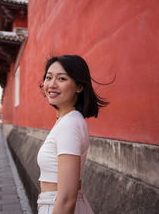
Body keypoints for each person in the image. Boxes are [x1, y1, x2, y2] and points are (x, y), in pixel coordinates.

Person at [37, 55, 109, 214]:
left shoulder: (69, 124)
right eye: (48, 78)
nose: (51, 84)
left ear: (79, 87)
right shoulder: (66, 121)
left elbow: (67, 198)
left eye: (61, 79)